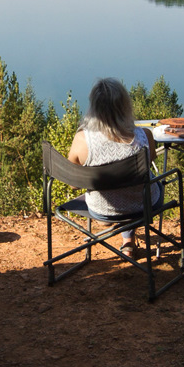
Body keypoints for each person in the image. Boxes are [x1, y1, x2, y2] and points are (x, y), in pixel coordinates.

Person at [67, 77, 157, 253]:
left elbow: (73, 183)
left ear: (93, 108)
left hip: (102, 209)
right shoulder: (145, 135)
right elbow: (151, 159)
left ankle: (126, 238)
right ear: (125, 106)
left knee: (119, 190)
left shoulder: (83, 140)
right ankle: (129, 241)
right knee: (147, 183)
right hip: (142, 206)